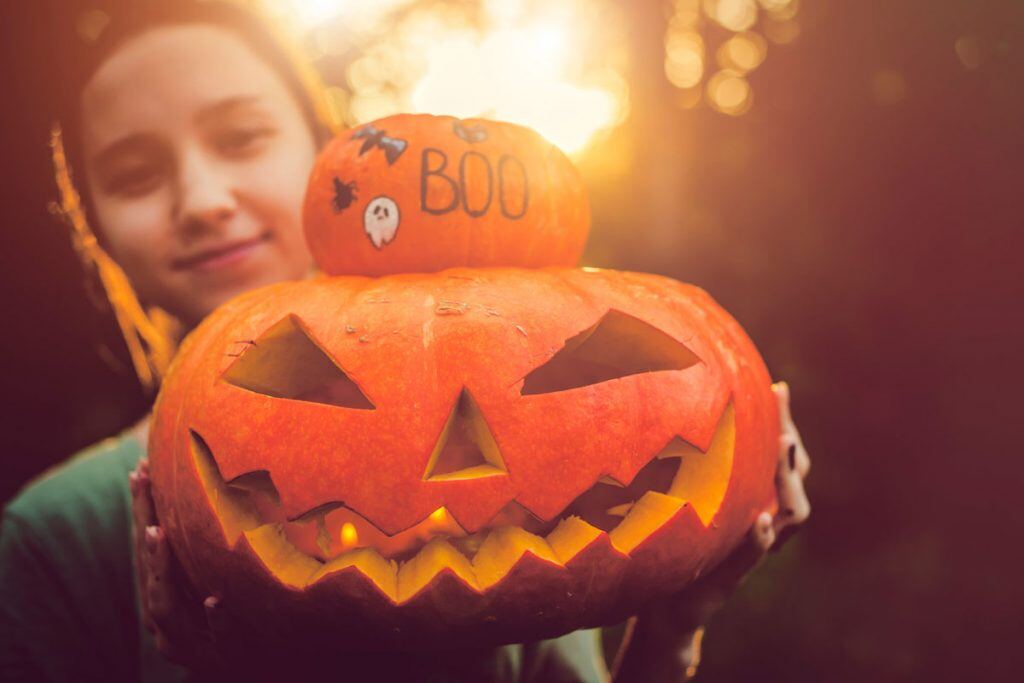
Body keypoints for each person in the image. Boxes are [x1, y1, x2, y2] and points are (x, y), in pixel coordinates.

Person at [0, 3, 810, 681]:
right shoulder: (50, 542)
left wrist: (667, 637)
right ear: (93, 225)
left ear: (324, 148)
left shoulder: (528, 471)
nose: (202, 198)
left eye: (241, 138)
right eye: (136, 172)